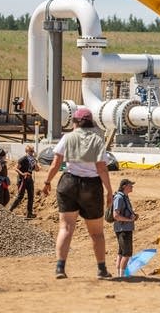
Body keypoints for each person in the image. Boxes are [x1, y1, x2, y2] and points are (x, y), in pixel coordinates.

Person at [42, 107, 113, 280]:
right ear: (91, 123)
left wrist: (47, 182)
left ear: (75, 122)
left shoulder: (68, 138)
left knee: (66, 228)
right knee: (96, 233)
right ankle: (102, 269)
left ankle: (60, 268)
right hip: (91, 185)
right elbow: (101, 168)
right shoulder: (97, 140)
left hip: (69, 182)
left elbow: (56, 163)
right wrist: (109, 191)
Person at [113, 178, 138, 277]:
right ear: (124, 186)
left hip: (124, 228)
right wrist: (129, 220)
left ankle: (119, 275)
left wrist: (133, 216)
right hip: (123, 229)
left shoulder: (124, 197)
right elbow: (116, 215)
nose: (132, 186)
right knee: (127, 254)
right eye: (130, 185)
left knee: (121, 253)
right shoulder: (119, 198)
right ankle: (122, 277)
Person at [10, 145, 40, 218]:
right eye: (31, 151)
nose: (32, 153)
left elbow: (37, 169)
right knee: (20, 196)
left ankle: (29, 213)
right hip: (22, 179)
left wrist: (35, 162)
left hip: (29, 179)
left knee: (31, 196)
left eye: (33, 151)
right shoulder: (23, 159)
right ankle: (10, 210)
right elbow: (16, 168)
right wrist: (23, 174)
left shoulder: (33, 160)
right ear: (26, 151)